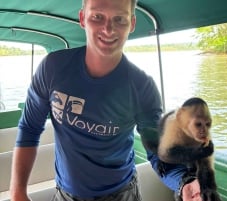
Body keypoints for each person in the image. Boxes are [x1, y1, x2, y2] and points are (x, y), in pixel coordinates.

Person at [9, 0, 202, 200]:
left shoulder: (141, 86)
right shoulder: (53, 69)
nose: (108, 29)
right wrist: (17, 192)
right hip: (66, 194)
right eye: (97, 17)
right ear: (83, 18)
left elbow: (157, 150)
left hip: (122, 194)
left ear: (132, 23)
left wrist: (184, 182)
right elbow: (30, 128)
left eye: (119, 19)